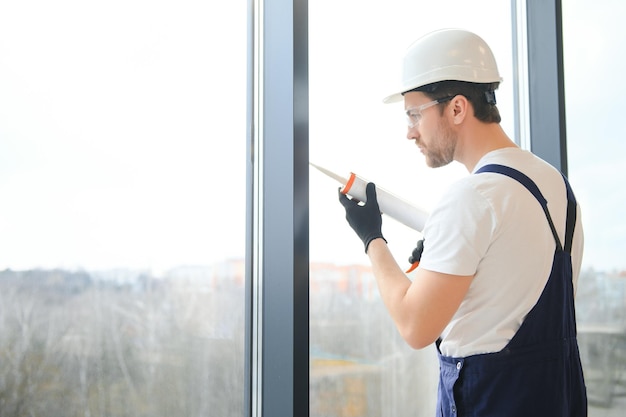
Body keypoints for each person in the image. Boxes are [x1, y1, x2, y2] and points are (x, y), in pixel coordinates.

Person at [338, 28, 587, 416]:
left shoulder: (472, 197)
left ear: (456, 108)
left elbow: (415, 326)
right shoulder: (557, 186)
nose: (409, 132)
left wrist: (372, 237)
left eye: (414, 114)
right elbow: (500, 302)